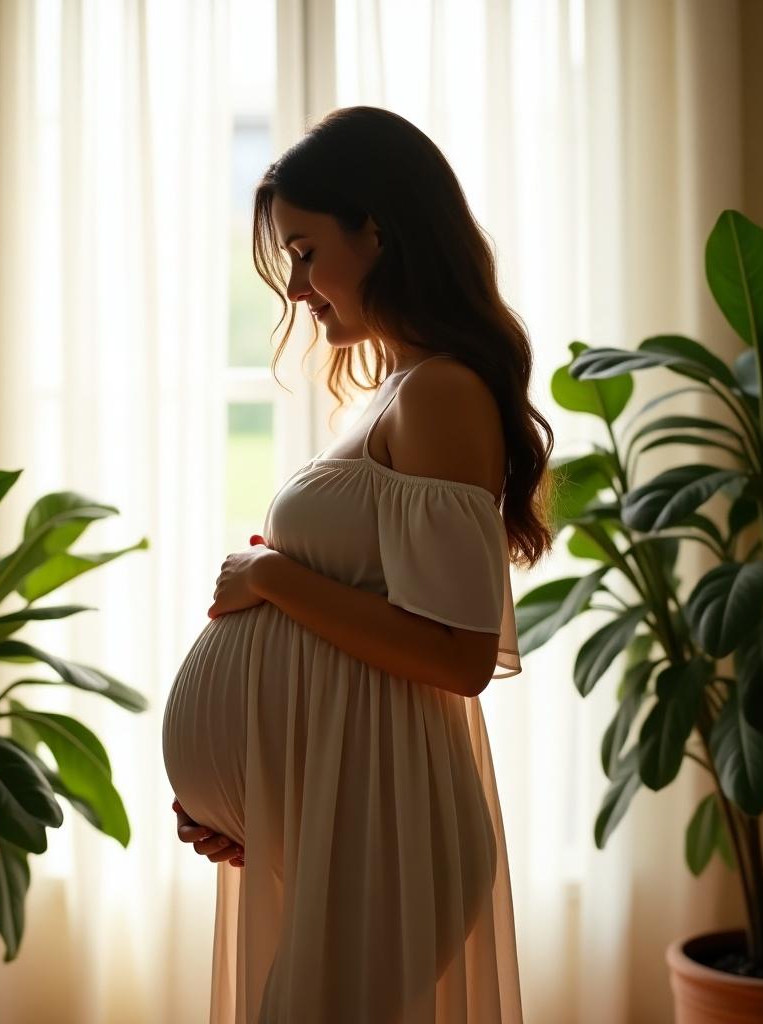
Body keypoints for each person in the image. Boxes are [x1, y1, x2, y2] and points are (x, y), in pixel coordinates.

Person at [164, 105, 556, 1023]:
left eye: (305, 251)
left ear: (375, 232)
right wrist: (258, 796)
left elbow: (459, 657)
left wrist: (271, 580)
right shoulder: (394, 391)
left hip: (390, 831)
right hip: (346, 818)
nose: (296, 287)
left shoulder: (445, 392)